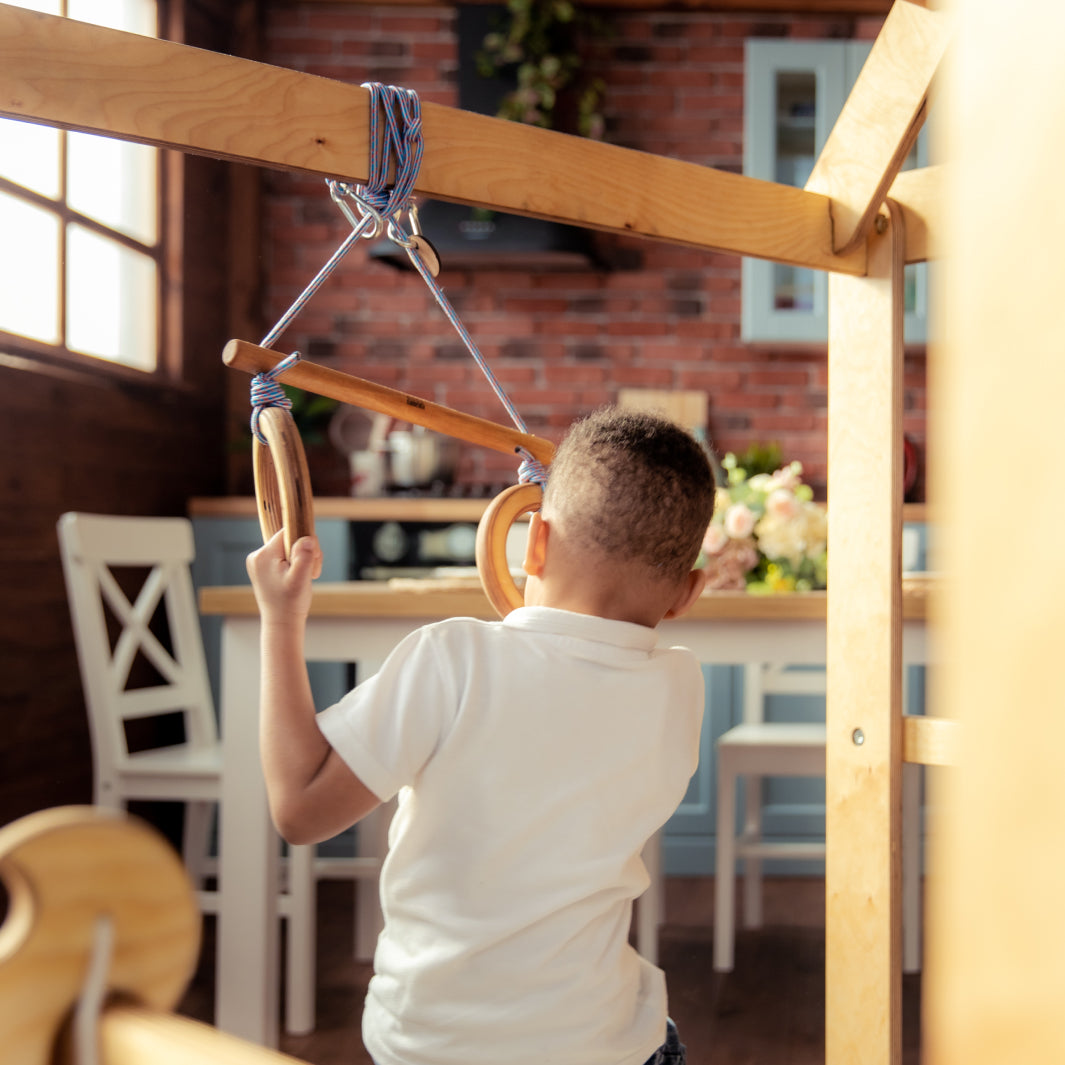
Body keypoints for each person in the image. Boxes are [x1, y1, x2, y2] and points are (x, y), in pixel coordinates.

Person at [246, 406, 717, 1065]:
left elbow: (298, 808)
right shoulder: (680, 687)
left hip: (433, 1046)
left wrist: (280, 616)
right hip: (601, 1046)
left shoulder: (450, 658)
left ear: (533, 544)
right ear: (687, 593)